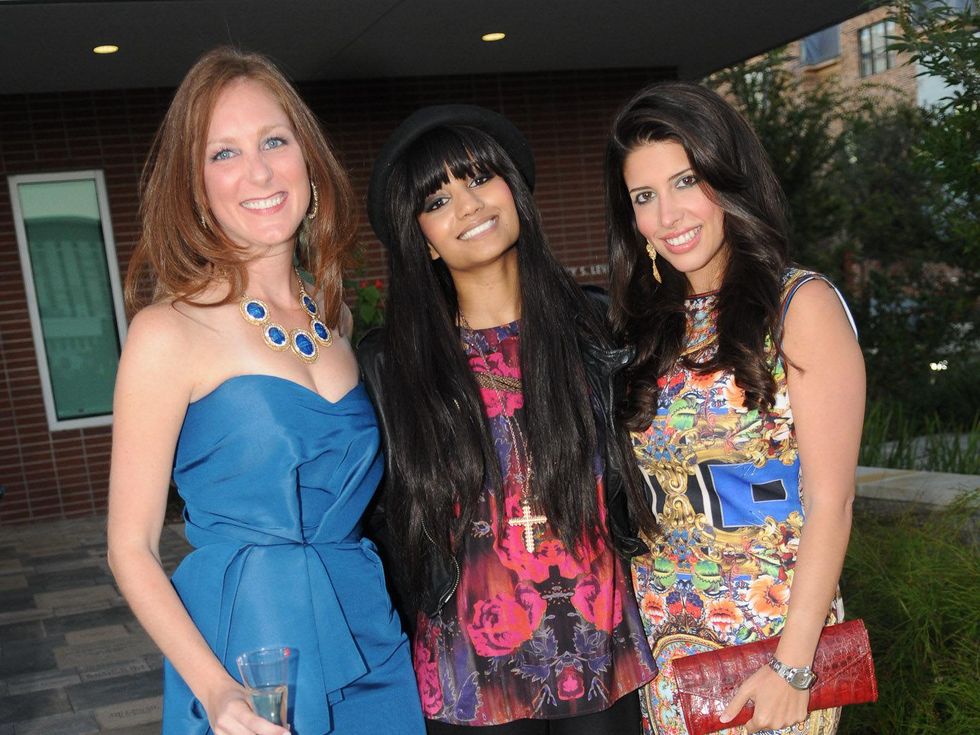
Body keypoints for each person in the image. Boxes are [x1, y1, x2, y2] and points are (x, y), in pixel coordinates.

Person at [106, 47, 424, 735]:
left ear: (308, 159)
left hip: (368, 628)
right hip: (251, 657)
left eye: (274, 141)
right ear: (195, 186)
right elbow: (129, 547)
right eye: (224, 153)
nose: (258, 171)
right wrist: (216, 690)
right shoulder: (167, 332)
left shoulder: (336, 320)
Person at [358, 104, 657, 735]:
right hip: (467, 673)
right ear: (422, 240)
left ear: (514, 190)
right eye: (438, 200)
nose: (468, 206)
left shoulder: (597, 328)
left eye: (479, 178)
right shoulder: (391, 366)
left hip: (601, 651)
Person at [603, 81, 865, 735]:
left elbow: (832, 501)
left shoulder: (799, 305)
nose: (668, 214)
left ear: (727, 177)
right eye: (644, 196)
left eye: (685, 181)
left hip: (772, 642)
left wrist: (793, 666)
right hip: (665, 645)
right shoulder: (646, 328)